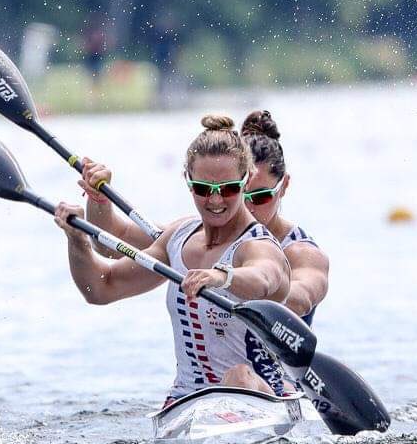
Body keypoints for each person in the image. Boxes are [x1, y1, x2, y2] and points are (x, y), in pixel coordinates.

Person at [54, 115, 291, 404]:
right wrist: (77, 239)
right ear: (188, 182)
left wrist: (222, 276)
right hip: (186, 402)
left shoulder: (258, 245)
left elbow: (263, 278)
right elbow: (101, 287)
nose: (215, 201)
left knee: (238, 375)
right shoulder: (177, 238)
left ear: (245, 181)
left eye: (228, 189)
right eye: (203, 189)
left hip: (260, 398)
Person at [81, 110, 329, 326]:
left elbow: (295, 298)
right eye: (236, 192)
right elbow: (110, 241)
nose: (246, 206)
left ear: (284, 186)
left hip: (275, 372)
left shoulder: (301, 253)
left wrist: (227, 278)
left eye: (261, 196)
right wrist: (98, 199)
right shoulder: (191, 238)